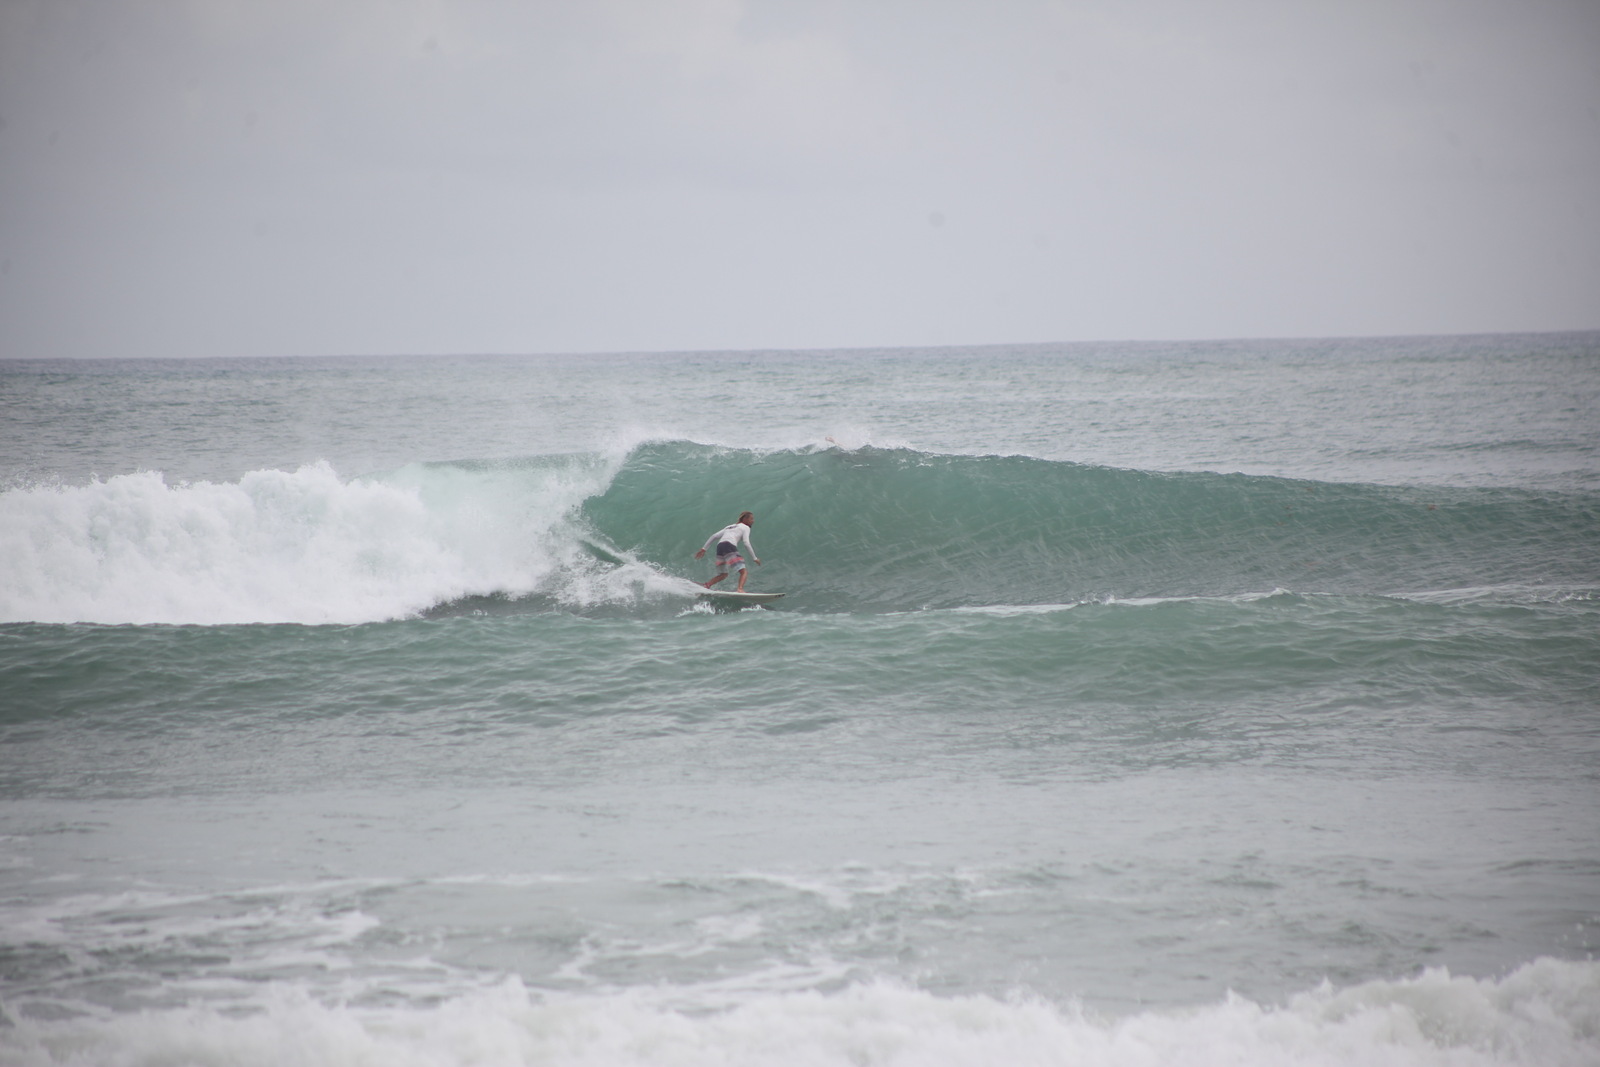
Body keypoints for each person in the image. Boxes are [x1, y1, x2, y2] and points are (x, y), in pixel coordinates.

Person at [694, 511, 761, 591]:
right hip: (729, 546)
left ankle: (707, 585)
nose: (753, 521)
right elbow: (746, 543)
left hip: (720, 546)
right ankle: (740, 589)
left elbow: (714, 536)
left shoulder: (730, 526)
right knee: (744, 572)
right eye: (751, 519)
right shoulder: (745, 527)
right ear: (745, 519)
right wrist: (754, 558)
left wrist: (704, 549)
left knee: (723, 574)